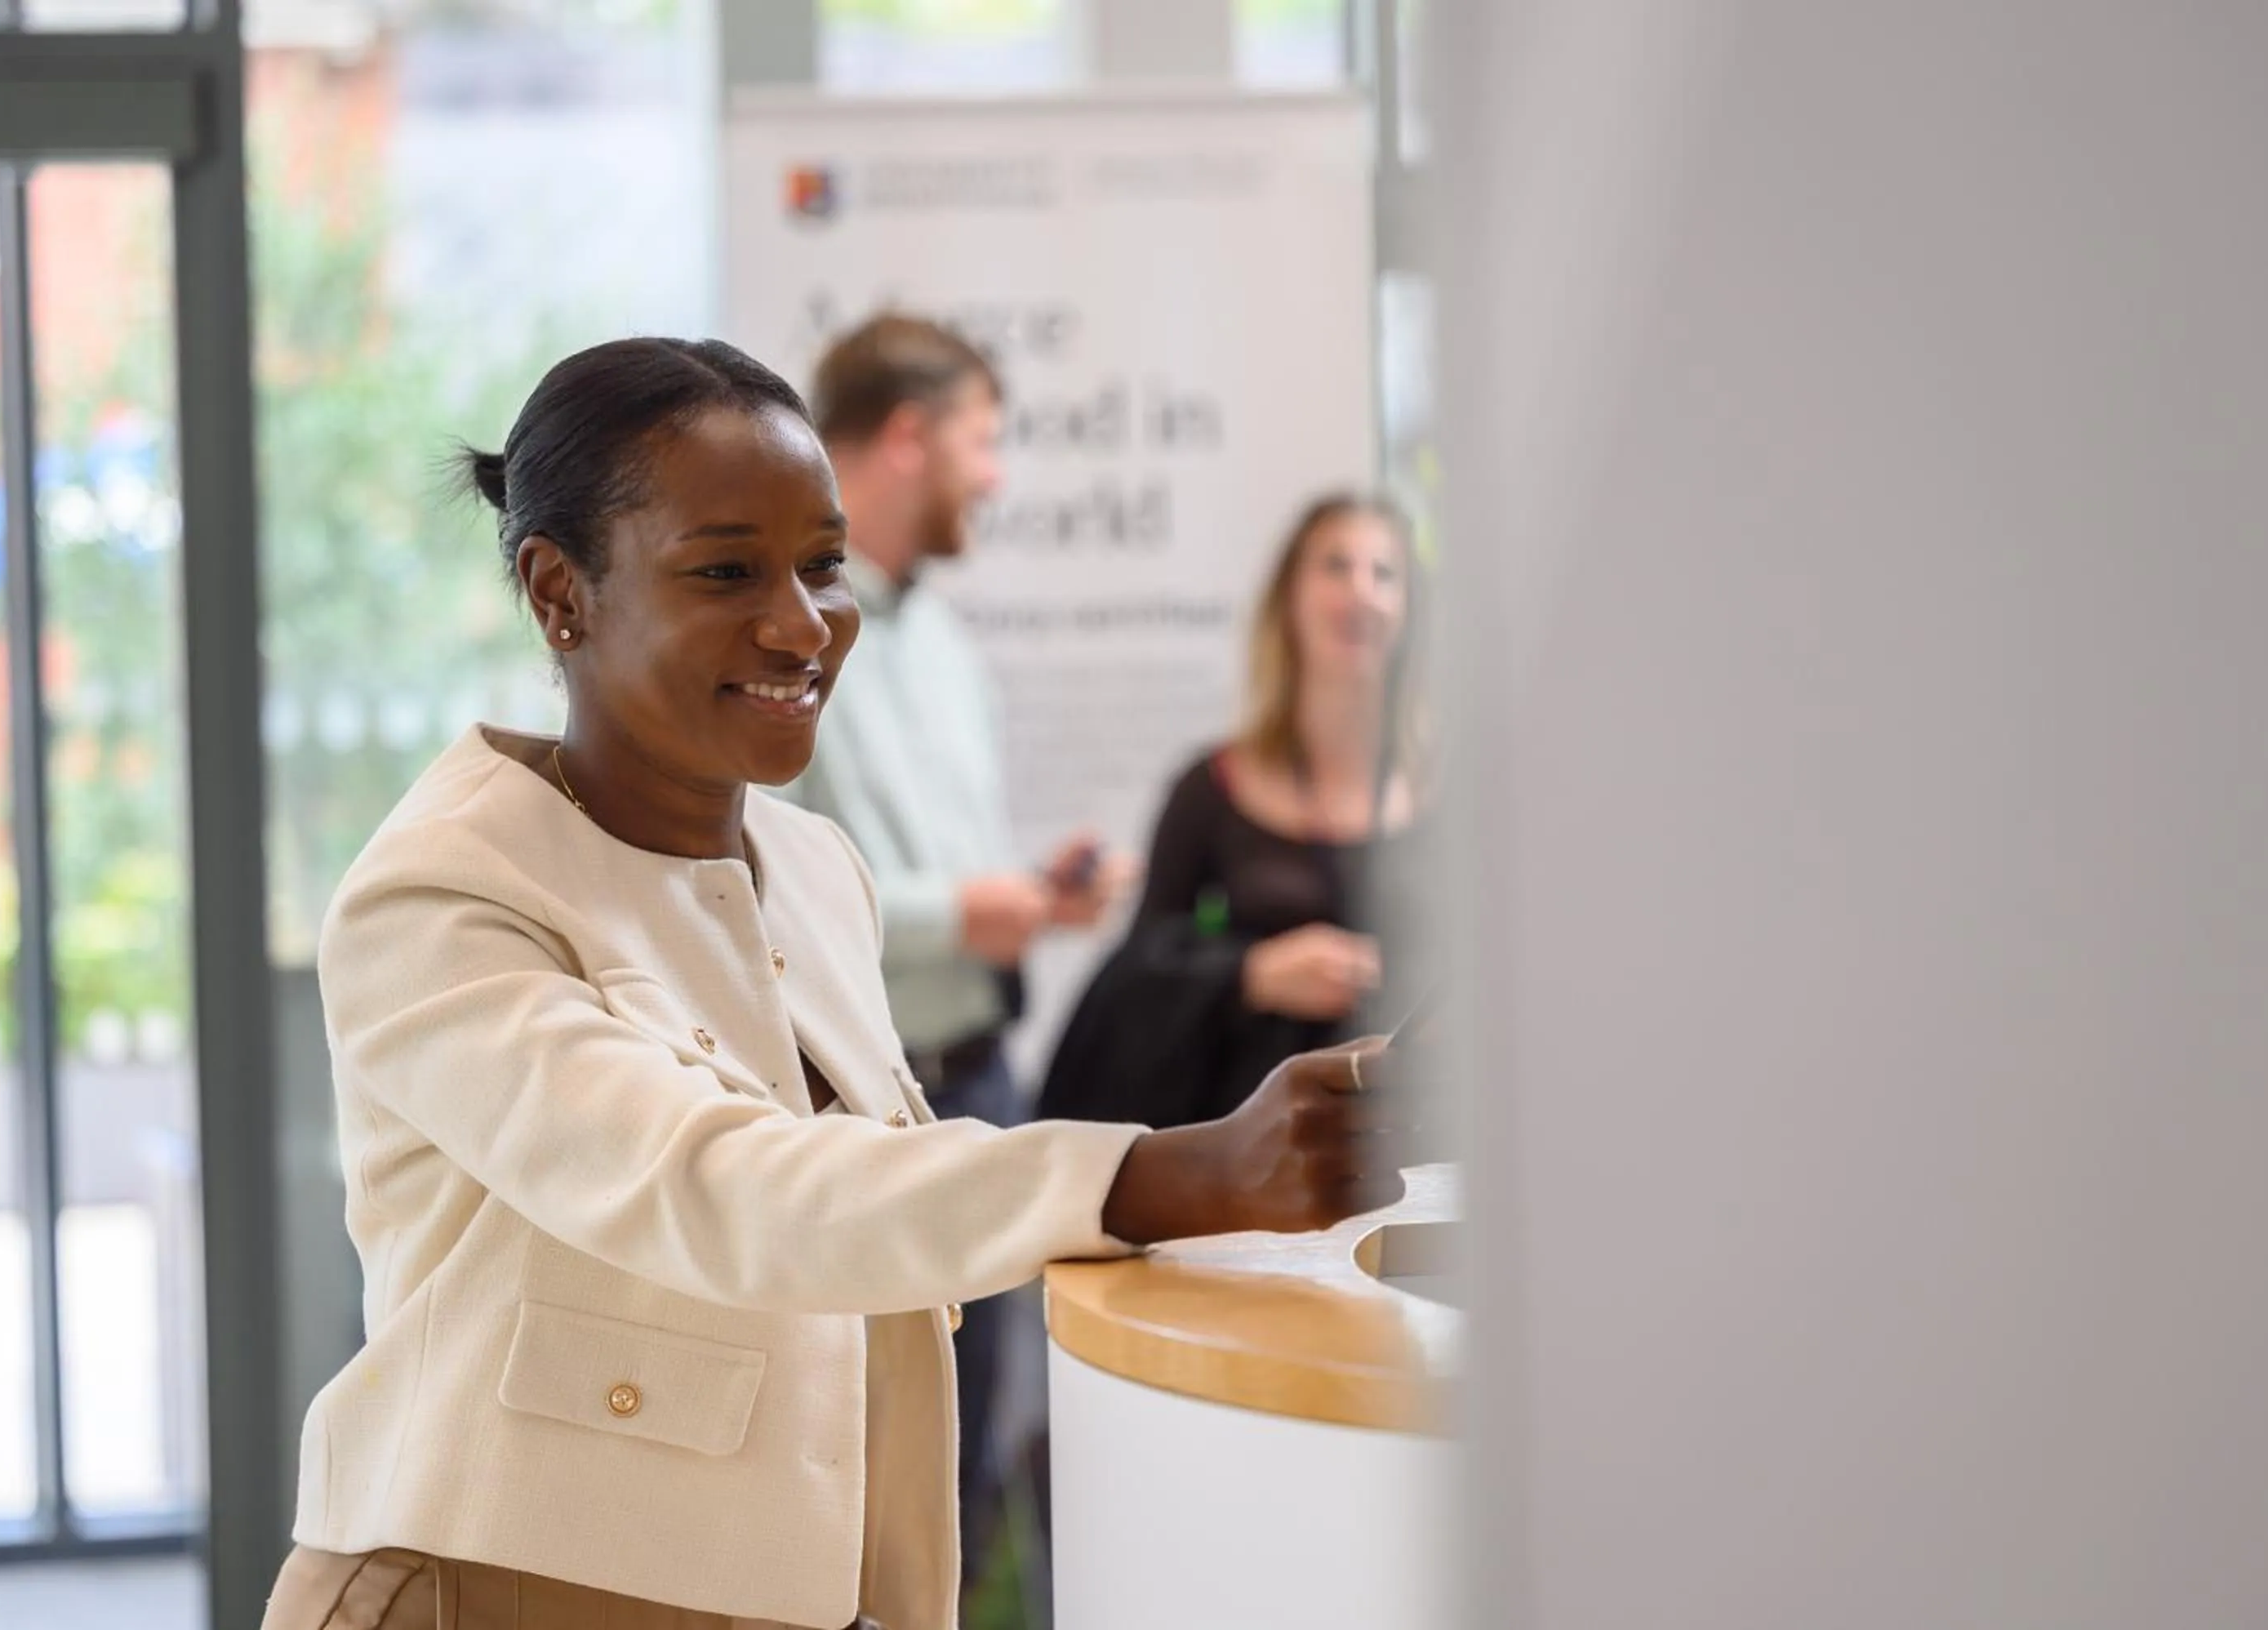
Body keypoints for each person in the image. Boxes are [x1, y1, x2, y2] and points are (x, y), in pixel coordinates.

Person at [260, 338, 1403, 1630]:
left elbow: (866, 1251)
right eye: (727, 572)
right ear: (557, 592)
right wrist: (1165, 1170)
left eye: (822, 566)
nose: (804, 625)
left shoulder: (815, 868)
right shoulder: (442, 895)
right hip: (483, 1593)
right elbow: (719, 1188)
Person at [775, 313, 1131, 1597]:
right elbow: (765, 881)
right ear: (909, 437)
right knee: (862, 1494)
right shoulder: (787, 639)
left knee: (970, 1474)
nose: (995, 477)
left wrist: (1029, 899)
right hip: (851, 1107)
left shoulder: (943, 645)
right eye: (985, 441)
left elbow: (908, 866)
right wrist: (959, 916)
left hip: (974, 1088)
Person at [1038, 493, 1433, 1131]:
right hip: (1254, 1134)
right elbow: (1138, 973)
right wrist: (1253, 973)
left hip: (1419, 1128)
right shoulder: (1211, 787)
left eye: (1383, 573)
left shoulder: (1454, 794)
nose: (1360, 591)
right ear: (1289, 598)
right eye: (1335, 566)